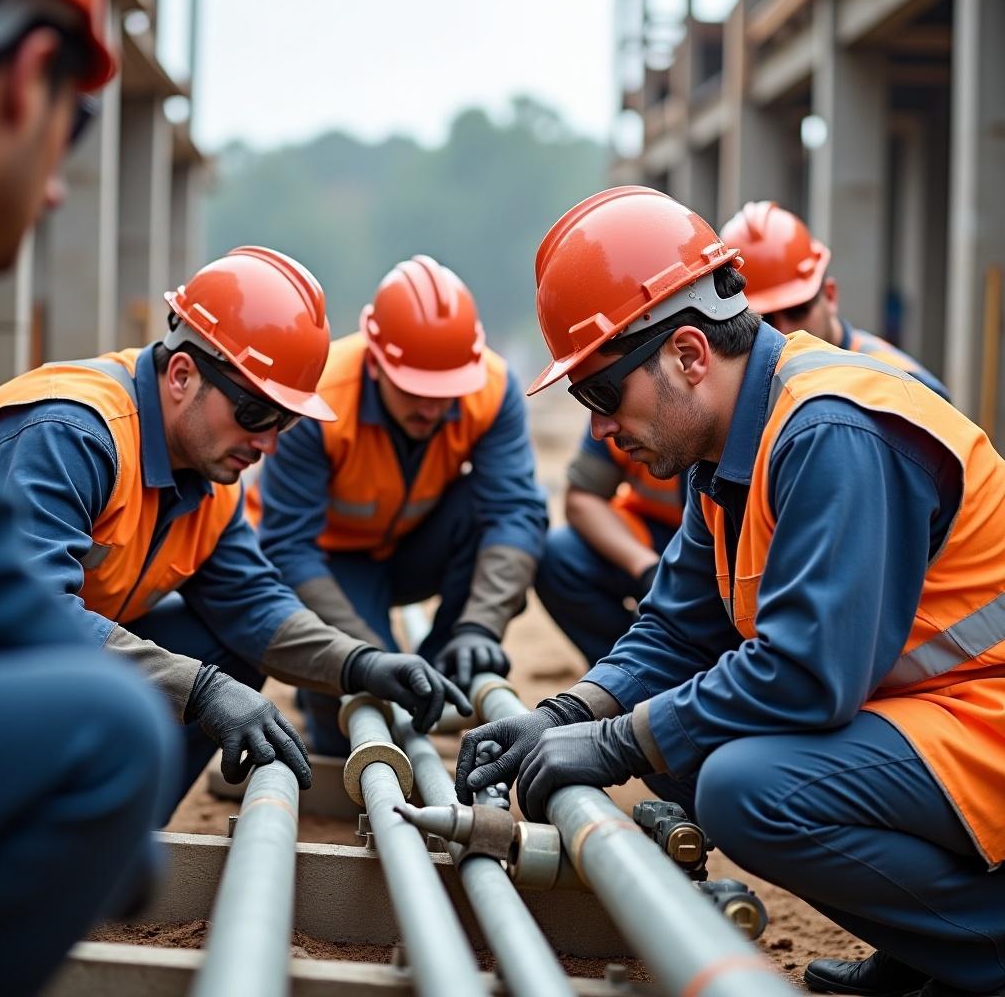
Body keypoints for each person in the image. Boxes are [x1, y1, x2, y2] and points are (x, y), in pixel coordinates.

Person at [457, 186, 1005, 997]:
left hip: (983, 717)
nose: (599, 429)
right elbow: (676, 630)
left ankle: (984, 948)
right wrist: (562, 717)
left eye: (602, 395)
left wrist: (614, 746)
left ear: (687, 353)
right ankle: (929, 949)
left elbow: (807, 676)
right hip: (931, 715)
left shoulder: (829, 431)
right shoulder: (724, 452)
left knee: (745, 786)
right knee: (693, 745)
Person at [0, 245, 472, 812]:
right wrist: (198, 690)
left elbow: (253, 607)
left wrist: (360, 662)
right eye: (256, 414)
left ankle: (120, 836)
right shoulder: (75, 435)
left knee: (229, 651)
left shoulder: (209, 479)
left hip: (30, 663)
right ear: (183, 375)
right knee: (194, 683)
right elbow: (32, 613)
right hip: (3, 654)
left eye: (284, 421)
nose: (267, 444)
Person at [0, 0, 177, 993]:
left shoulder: (213, 473)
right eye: (72, 130)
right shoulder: (74, 426)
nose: (58, 188)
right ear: (24, 82)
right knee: (112, 729)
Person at [254, 255, 546, 755]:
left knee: (492, 516)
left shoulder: (491, 389)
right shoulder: (320, 398)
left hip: (419, 545)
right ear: (376, 362)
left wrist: (480, 625)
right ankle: (334, 715)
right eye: (415, 390)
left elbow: (515, 513)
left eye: (445, 392)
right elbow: (288, 546)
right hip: (330, 560)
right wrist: (367, 659)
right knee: (347, 711)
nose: (432, 408)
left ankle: (444, 678)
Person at [721, 201, 950, 400]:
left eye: (797, 311)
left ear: (829, 295)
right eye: (765, 320)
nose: (784, 333)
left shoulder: (906, 387)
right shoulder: (743, 387)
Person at [534, 421, 685, 665]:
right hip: (653, 537)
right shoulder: (613, 414)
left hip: (721, 545)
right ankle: (624, 665)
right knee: (560, 554)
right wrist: (648, 568)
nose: (600, 425)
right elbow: (582, 499)